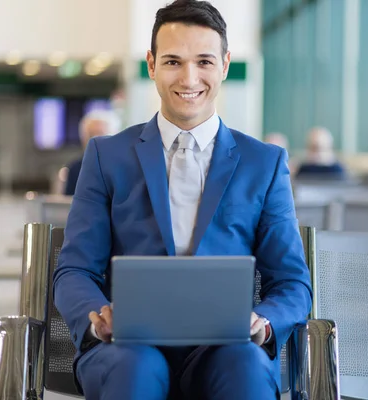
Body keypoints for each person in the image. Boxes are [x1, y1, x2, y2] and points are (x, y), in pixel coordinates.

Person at [53, 1, 312, 399]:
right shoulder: (107, 156)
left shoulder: (264, 163)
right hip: (128, 346)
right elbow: (73, 270)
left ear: (225, 65)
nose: (189, 78)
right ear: (151, 65)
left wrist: (265, 321)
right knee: (137, 368)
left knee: (245, 367)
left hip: (226, 347)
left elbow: (292, 282)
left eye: (204, 62)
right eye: (173, 61)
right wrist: (98, 317)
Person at [63, 110, 120, 195]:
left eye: (100, 135)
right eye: (91, 135)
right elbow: (68, 203)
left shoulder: (124, 168)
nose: (94, 141)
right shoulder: (75, 169)